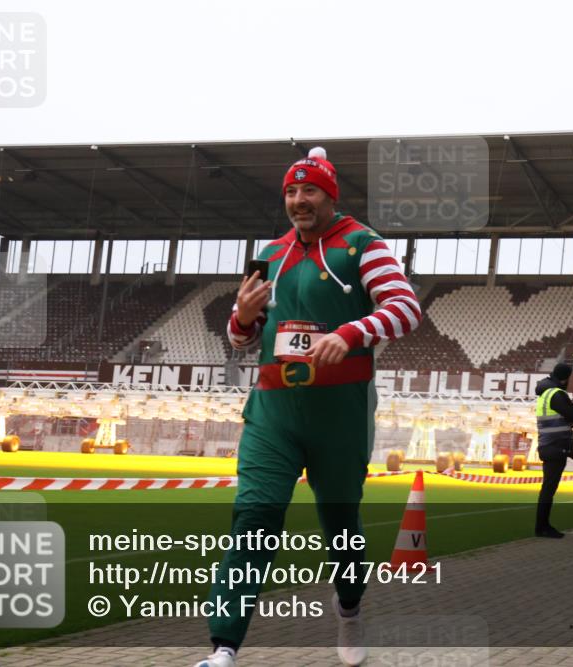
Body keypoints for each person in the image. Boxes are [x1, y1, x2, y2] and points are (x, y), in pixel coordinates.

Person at [194, 147, 422, 667]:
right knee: (254, 517)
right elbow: (240, 339)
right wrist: (243, 319)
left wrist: (351, 332)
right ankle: (223, 648)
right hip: (273, 409)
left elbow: (405, 309)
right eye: (292, 192)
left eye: (309, 190)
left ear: (329, 194)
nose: (299, 200)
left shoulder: (363, 245)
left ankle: (349, 610)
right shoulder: (269, 254)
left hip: (339, 411)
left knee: (341, 526)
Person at [534, 363, 573, 538]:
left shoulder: (545, 394)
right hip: (556, 446)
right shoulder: (557, 394)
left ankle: (542, 525)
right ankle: (542, 527)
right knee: (548, 488)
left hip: (547, 444)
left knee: (548, 487)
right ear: (565, 378)